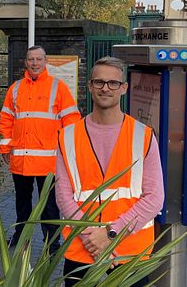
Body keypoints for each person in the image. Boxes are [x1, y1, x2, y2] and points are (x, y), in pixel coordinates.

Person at [56, 56, 164, 286]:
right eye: (99, 82)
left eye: (113, 83)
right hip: (82, 250)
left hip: (129, 252)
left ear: (123, 88)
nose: (105, 88)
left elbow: (155, 198)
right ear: (90, 86)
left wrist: (109, 235)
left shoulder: (143, 136)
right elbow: (63, 196)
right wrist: (93, 239)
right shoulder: (68, 136)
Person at [0, 46, 81, 253]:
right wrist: (5, 148)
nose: (35, 63)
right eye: (31, 59)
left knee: (50, 207)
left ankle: (52, 245)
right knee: (22, 204)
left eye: (38, 59)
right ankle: (20, 237)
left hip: (48, 162)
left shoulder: (58, 87)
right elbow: (7, 119)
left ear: (45, 61)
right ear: (25, 62)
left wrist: (66, 152)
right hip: (21, 160)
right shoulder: (15, 88)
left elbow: (71, 121)